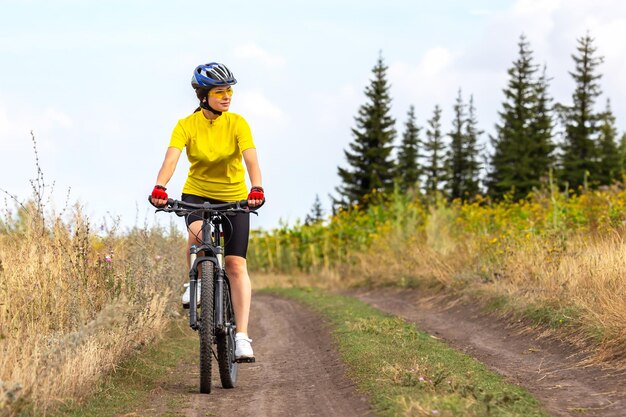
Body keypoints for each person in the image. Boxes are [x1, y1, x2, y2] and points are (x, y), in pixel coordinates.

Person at [150, 62, 264, 362]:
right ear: (203, 96)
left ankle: (241, 336)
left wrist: (257, 188)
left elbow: (250, 158)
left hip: (235, 197)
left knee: (236, 264)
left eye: (229, 91)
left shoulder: (238, 123)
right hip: (197, 194)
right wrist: (160, 186)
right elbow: (171, 159)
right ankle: (195, 283)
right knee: (198, 234)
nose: (227, 96)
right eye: (219, 92)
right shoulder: (186, 125)